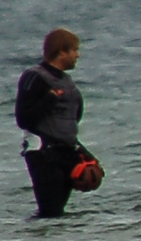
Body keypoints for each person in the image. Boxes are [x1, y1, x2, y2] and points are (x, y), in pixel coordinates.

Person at [15, 28, 90, 218]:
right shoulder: (34, 77)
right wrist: (49, 100)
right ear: (61, 51)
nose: (77, 55)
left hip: (66, 151)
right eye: (74, 50)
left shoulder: (67, 82)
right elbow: (23, 118)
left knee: (59, 215)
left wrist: (83, 153)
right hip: (44, 154)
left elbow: (74, 118)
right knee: (50, 212)